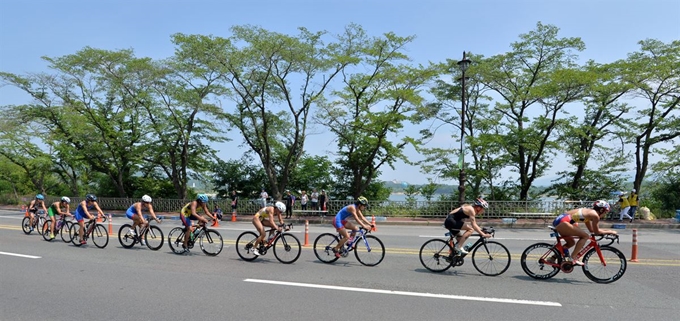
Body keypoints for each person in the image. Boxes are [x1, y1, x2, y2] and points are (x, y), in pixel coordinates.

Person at [552, 200, 617, 266]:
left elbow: (591, 230)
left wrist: (605, 231)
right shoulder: (595, 216)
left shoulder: (589, 212)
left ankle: (552, 258)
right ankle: (573, 257)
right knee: (585, 236)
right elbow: (596, 232)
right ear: (601, 210)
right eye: (605, 212)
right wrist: (611, 232)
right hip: (563, 223)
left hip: (560, 221)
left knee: (571, 243)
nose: (604, 215)